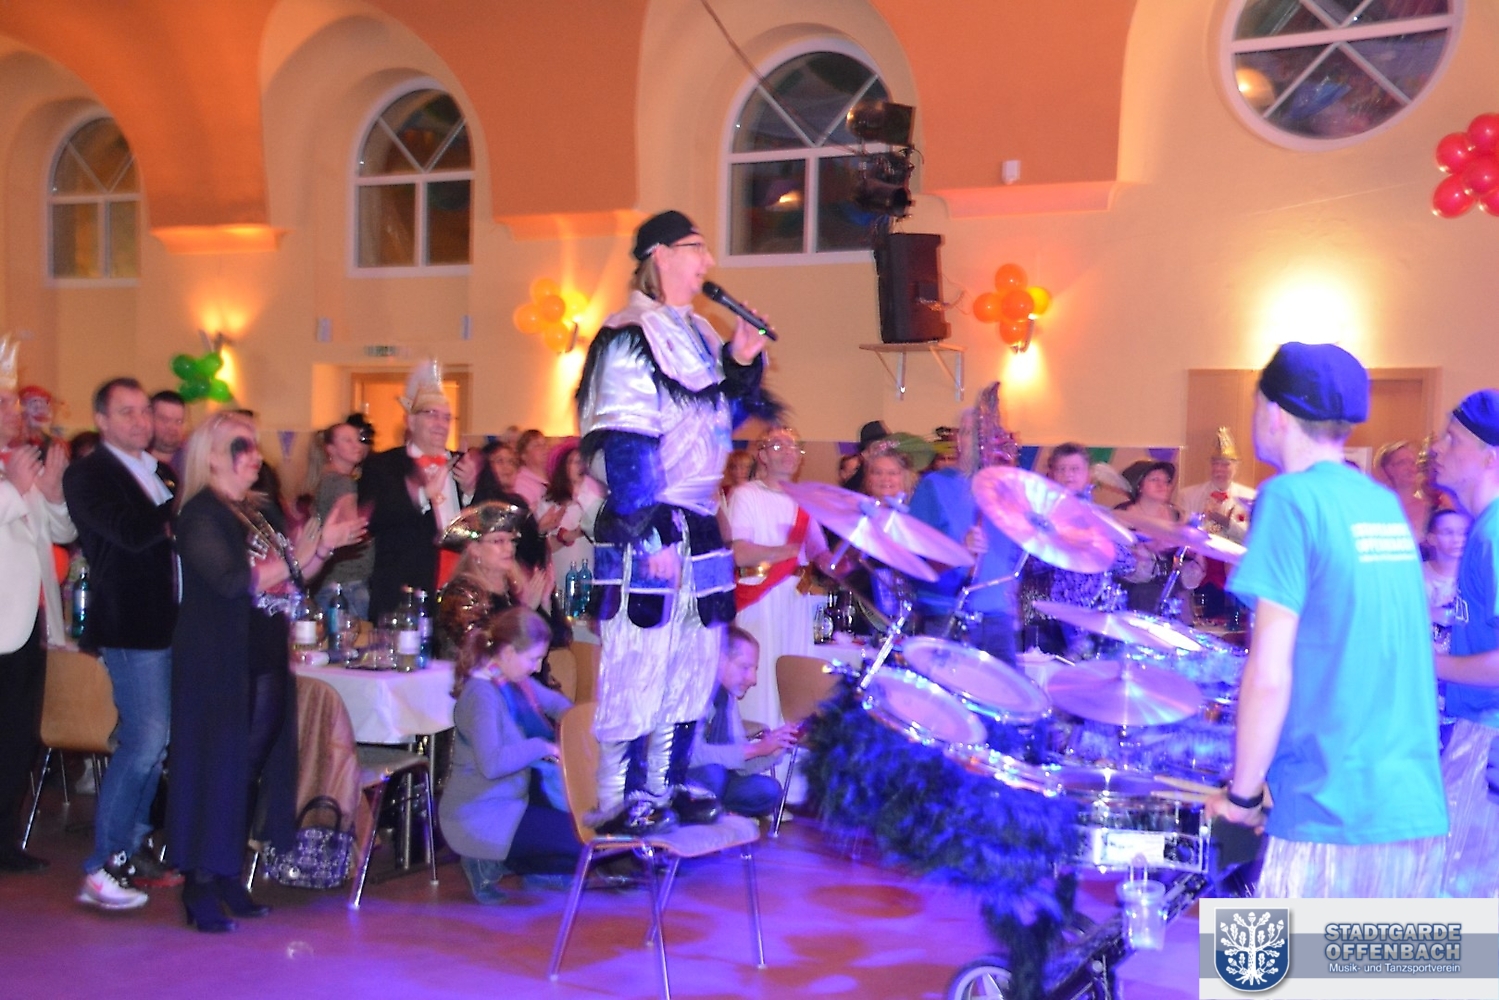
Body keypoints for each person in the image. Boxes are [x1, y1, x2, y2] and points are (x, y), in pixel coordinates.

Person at [1207, 342, 1446, 897]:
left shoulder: (1289, 499)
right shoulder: (1381, 505)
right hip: (1409, 805)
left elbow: (1269, 671)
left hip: (1328, 809)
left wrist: (1242, 797)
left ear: (1275, 412)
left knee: (1263, 957)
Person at [575, 209, 776, 836]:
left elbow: (716, 424)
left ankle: (665, 782)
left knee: (692, 660)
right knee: (640, 659)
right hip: (652, 523)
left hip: (700, 520)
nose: (707, 262)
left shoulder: (696, 333)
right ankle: (618, 796)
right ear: (660, 254)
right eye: (696, 248)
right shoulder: (627, 335)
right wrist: (649, 528)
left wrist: (740, 362)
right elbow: (624, 438)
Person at [168, 411, 364, 931]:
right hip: (216, 660)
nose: (255, 456)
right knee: (217, 767)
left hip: (262, 653)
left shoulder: (256, 510)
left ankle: (226, 872)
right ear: (212, 456)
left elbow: (293, 579)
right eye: (242, 447)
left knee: (250, 768)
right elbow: (234, 581)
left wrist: (323, 547)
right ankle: (199, 882)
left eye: (254, 445)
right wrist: (303, 555)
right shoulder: (200, 514)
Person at [63, 377, 182, 910]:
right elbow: (130, 533)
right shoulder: (89, 474)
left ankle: (130, 849)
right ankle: (102, 864)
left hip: (167, 622)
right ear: (102, 421)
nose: (140, 421)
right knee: (142, 741)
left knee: (156, 745)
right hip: (130, 624)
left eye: (143, 411)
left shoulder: (158, 472)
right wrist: (179, 507)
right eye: (126, 412)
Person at [440, 606, 579, 904]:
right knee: (581, 840)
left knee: (582, 834)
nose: (537, 667)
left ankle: (531, 866)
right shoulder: (482, 696)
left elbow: (558, 705)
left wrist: (584, 723)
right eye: (533, 659)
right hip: (479, 813)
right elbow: (492, 764)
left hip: (513, 801)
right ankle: (486, 859)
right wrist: (543, 747)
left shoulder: (512, 681)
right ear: (508, 652)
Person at [0, 338, 74, 874]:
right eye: (5, 404)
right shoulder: (12, 474)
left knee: (17, 739)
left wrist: (50, 490)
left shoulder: (18, 464)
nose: (16, 412)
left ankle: (4, 841)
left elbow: (61, 533)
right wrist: (14, 489)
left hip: (28, 624)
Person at [1430, 390, 1499, 897]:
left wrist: (1425, 662)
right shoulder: (1483, 531)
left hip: (1490, 739)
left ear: (1490, 457)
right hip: (1478, 730)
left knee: (1463, 898)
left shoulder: (1494, 535)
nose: (1437, 447)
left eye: (1452, 439)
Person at [358, 359, 480, 619]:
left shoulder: (465, 463)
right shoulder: (383, 465)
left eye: (446, 417)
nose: (440, 423)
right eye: (431, 414)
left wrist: (471, 490)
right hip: (403, 595)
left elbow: (488, 522)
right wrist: (422, 496)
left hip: (459, 595)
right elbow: (372, 520)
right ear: (410, 421)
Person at [728, 426, 834, 728]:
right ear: (762, 455)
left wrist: (842, 559)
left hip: (795, 601)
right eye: (778, 446)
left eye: (794, 447)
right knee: (760, 678)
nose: (788, 452)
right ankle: (756, 739)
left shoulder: (803, 500)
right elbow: (740, 553)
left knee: (793, 674)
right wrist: (784, 552)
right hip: (760, 599)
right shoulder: (746, 495)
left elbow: (819, 552)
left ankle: (790, 746)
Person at [909, 409, 1025, 665]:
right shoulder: (934, 486)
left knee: (1008, 690)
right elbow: (914, 563)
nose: (980, 440)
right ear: (959, 440)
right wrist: (959, 552)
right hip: (947, 617)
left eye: (988, 432)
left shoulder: (1009, 494)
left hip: (999, 620)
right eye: (972, 432)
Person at [687, 627, 796, 819]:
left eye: (754, 669)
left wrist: (771, 750)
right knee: (714, 775)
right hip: (684, 780)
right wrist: (755, 749)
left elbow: (740, 766)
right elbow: (691, 755)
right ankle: (706, 813)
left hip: (718, 780)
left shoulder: (727, 698)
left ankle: (716, 813)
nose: (753, 679)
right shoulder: (695, 692)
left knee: (769, 790)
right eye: (745, 667)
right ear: (720, 660)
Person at [435, 502, 555, 661]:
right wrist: (525, 610)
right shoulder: (462, 594)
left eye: (511, 541)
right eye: (498, 541)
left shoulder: (512, 588)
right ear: (475, 549)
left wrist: (545, 601)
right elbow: (482, 655)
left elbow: (552, 641)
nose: (509, 548)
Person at [1178, 427, 1255, 620]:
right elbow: (1182, 534)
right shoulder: (1189, 495)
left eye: (1225, 464)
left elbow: (1252, 539)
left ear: (1236, 467)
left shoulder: (1251, 497)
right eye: (1215, 464)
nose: (1219, 470)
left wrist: (1223, 520)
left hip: (1234, 573)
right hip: (1199, 572)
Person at [1113, 460, 1205, 617]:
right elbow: (1120, 566)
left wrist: (1193, 555)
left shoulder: (1178, 516)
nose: (1162, 485)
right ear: (1139, 485)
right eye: (1154, 479)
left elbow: (1192, 576)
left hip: (1174, 598)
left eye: (1166, 481)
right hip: (1136, 599)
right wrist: (1145, 549)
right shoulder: (1123, 517)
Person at [306, 421, 374, 620]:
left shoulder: (327, 477)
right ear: (331, 449)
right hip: (347, 584)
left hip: (333, 582)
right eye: (347, 441)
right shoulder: (341, 483)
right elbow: (353, 528)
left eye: (358, 440)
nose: (356, 445)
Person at [536, 441, 604, 600]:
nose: (580, 466)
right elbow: (541, 546)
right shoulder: (549, 503)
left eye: (582, 462)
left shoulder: (594, 499)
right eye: (574, 462)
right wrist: (562, 537)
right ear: (563, 467)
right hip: (560, 574)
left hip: (590, 572)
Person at [1423, 507, 1468, 647]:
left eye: (1463, 533)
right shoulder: (1416, 575)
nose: (1457, 539)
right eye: (1448, 532)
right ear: (1432, 538)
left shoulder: (1476, 575)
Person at [1375, 439, 1433, 534]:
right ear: (1384, 469)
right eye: (1402, 463)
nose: (1410, 469)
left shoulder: (1429, 510)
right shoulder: (1373, 506)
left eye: (1412, 463)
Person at [148, 389, 188, 486]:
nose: (172, 427)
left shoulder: (192, 464)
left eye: (178, 421)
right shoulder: (132, 459)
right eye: (165, 420)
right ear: (149, 419)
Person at [513, 429, 549, 508]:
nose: (544, 448)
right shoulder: (521, 484)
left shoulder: (555, 477)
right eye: (537, 445)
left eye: (545, 444)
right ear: (523, 455)